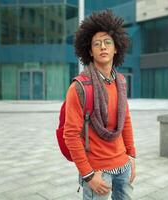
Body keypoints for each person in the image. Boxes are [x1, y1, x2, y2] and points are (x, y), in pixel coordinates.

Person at [64, 10, 136, 200]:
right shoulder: (79, 87)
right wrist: (88, 175)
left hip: (123, 165)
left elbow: (125, 121)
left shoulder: (120, 81)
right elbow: (70, 135)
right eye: (97, 44)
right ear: (89, 51)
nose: (102, 47)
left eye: (107, 42)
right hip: (97, 171)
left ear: (116, 48)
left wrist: (132, 157)